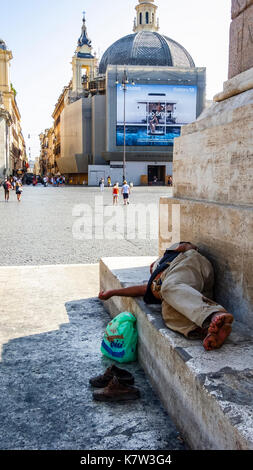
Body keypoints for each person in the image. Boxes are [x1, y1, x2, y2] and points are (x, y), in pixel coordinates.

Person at [98, 242, 234, 352]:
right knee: (168, 314)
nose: (151, 268)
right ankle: (209, 329)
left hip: (191, 266)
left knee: (168, 287)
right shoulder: (155, 283)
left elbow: (189, 246)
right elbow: (140, 289)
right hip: (193, 291)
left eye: (153, 267)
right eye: (152, 269)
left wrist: (185, 247)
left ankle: (215, 313)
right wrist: (112, 293)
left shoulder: (169, 258)